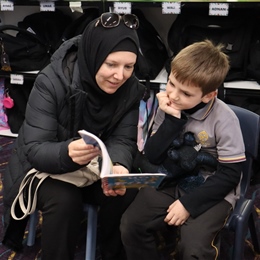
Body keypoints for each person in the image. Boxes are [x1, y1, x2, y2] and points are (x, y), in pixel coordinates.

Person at [2, 12, 145, 260]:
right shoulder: (52, 80)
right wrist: (67, 152)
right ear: (93, 54)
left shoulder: (130, 88)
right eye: (111, 64)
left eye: (128, 66)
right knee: (64, 200)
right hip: (45, 167)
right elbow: (34, 149)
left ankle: (111, 253)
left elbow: (123, 139)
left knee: (126, 189)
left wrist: (120, 165)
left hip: (94, 167)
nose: (120, 75)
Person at [120, 40, 246, 259]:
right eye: (171, 83)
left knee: (193, 248)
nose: (174, 95)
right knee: (132, 225)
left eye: (186, 93)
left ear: (208, 95)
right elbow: (152, 154)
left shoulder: (225, 120)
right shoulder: (169, 105)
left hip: (212, 188)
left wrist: (188, 204)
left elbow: (230, 175)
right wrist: (171, 120)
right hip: (172, 179)